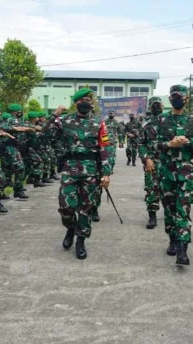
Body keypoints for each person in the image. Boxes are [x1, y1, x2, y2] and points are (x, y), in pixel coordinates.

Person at [53, 88, 111, 260]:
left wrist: (106, 173)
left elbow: (105, 147)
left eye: (89, 100)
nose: (86, 102)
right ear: (76, 103)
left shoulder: (99, 123)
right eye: (82, 100)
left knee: (86, 208)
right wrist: (54, 116)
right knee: (66, 207)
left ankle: (80, 240)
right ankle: (70, 227)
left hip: (90, 170)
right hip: (70, 169)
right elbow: (46, 135)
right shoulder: (63, 120)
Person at [153, 85, 193, 265]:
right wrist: (169, 145)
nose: (177, 99)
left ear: (186, 99)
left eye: (180, 96)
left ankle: (183, 249)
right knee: (169, 210)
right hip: (166, 172)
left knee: (183, 210)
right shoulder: (160, 120)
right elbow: (151, 144)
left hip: (186, 172)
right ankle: (173, 239)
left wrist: (188, 142)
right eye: (174, 96)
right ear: (170, 99)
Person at [139, 97, 164, 229]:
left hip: (168, 163)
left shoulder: (170, 122)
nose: (156, 107)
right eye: (153, 105)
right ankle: (152, 216)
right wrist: (146, 159)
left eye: (158, 105)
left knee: (170, 191)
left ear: (163, 106)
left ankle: (171, 215)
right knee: (151, 189)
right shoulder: (146, 125)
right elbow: (141, 143)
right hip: (152, 162)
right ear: (149, 107)